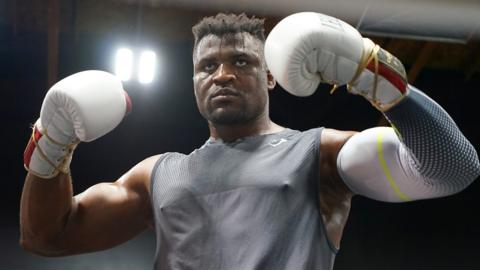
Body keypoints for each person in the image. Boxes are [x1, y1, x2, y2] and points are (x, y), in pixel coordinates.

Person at [20, 12, 480, 269]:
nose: (222, 74)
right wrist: (50, 146)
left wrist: (379, 78)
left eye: (241, 62)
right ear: (193, 81)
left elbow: (450, 168)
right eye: (207, 67)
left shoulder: (319, 154)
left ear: (271, 77)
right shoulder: (156, 174)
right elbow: (46, 236)